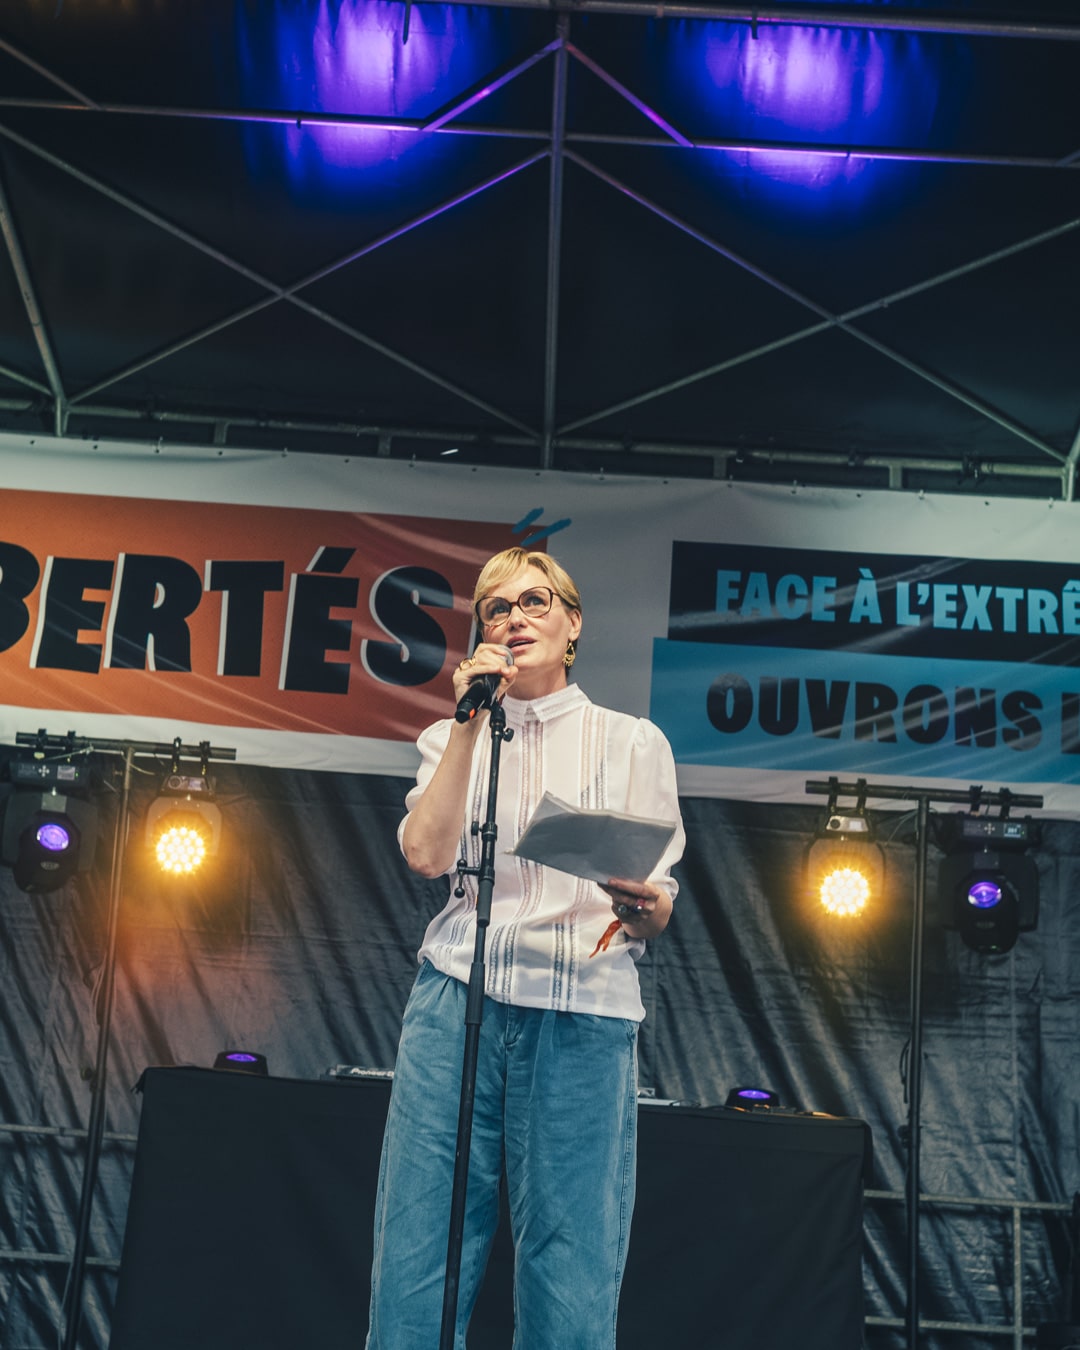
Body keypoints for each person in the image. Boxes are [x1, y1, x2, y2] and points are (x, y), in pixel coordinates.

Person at [366, 546, 685, 1350]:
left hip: (581, 1011)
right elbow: (425, 856)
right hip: (456, 1002)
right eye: (496, 608)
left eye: (535, 602)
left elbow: (657, 900)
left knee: (569, 1261)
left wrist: (650, 910)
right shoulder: (453, 736)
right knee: (418, 1250)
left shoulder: (633, 743)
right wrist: (472, 718)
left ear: (573, 623)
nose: (514, 619)